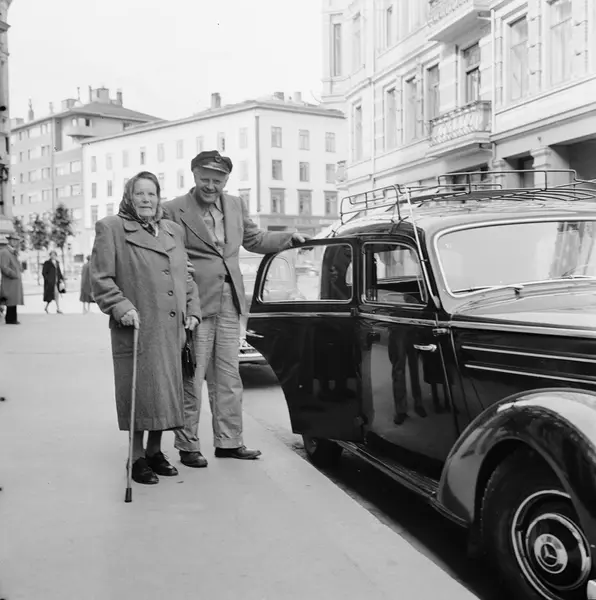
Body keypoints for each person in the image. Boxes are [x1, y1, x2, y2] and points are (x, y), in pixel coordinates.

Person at [162, 150, 309, 467]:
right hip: (194, 304)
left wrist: (288, 239)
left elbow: (254, 239)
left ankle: (229, 442)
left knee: (228, 376)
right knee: (192, 377)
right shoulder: (173, 209)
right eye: (205, 179)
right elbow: (164, 251)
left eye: (217, 181)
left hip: (230, 300)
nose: (210, 186)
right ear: (194, 175)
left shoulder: (235, 205)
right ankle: (188, 446)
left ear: (226, 180)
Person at [90, 171, 202, 485]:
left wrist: (193, 309)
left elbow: (185, 276)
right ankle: (136, 457)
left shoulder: (172, 230)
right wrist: (120, 305)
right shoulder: (112, 228)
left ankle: (155, 451)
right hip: (139, 327)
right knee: (141, 393)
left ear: (158, 197)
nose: (146, 200)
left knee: (165, 393)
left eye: (151, 194)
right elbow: (100, 279)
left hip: (172, 330)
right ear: (129, 196)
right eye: (139, 193)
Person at [0, 233, 24, 325]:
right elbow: (4, 266)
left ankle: (12, 318)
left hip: (14, 281)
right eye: (13, 240)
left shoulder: (13, 252)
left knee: (13, 301)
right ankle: (10, 319)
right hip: (9, 281)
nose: (15, 242)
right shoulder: (5, 252)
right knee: (10, 300)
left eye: (16, 240)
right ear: (9, 240)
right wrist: (14, 274)